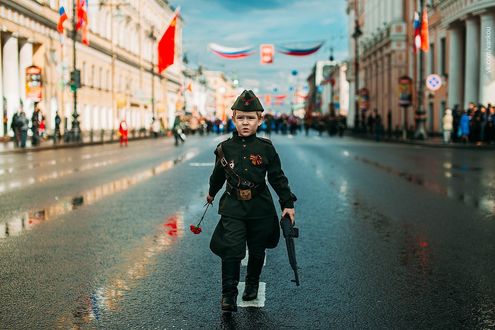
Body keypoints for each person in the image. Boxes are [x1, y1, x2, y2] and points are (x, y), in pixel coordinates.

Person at [206, 90, 297, 313]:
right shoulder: (225, 148)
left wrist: (287, 204)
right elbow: (218, 174)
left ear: (259, 120)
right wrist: (212, 192)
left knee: (257, 250)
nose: (245, 123)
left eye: (250, 118)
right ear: (234, 119)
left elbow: (277, 177)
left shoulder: (266, 148)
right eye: (241, 118)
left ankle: (252, 283)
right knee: (231, 250)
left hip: (260, 208)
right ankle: (228, 295)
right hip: (233, 207)